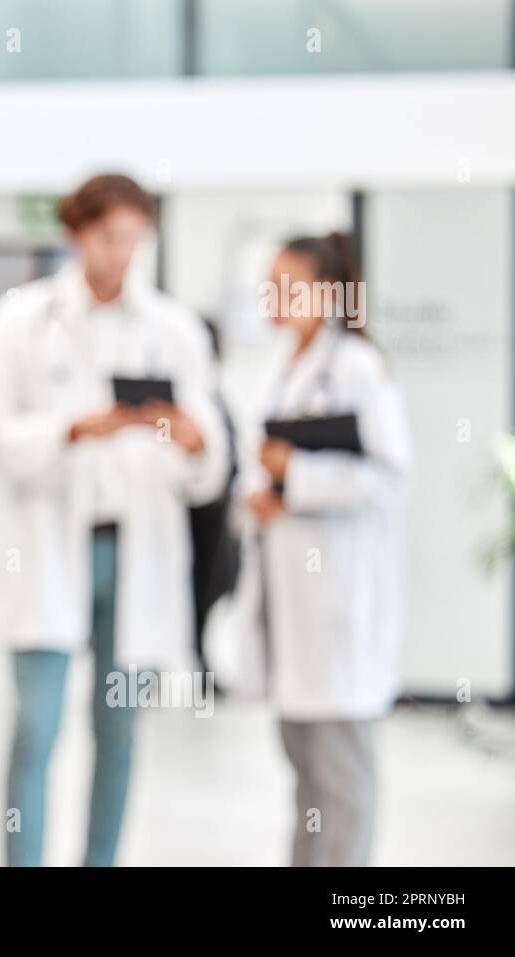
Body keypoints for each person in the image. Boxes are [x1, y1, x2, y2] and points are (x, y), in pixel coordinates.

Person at [0, 173, 230, 866]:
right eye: (111, 238)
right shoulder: (20, 320)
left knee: (119, 733)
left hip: (138, 550)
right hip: (49, 549)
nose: (124, 253)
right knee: (36, 728)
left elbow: (210, 459)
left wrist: (188, 435)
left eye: (136, 240)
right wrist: (73, 430)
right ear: (77, 234)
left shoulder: (173, 330)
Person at [218, 232, 411, 867]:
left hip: (338, 606)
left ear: (327, 294)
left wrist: (298, 476)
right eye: (267, 284)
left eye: (286, 285)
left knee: (341, 784)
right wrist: (265, 493)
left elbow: (391, 479)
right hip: (291, 600)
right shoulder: (284, 364)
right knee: (306, 777)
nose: (272, 297)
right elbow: (264, 465)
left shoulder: (356, 366)